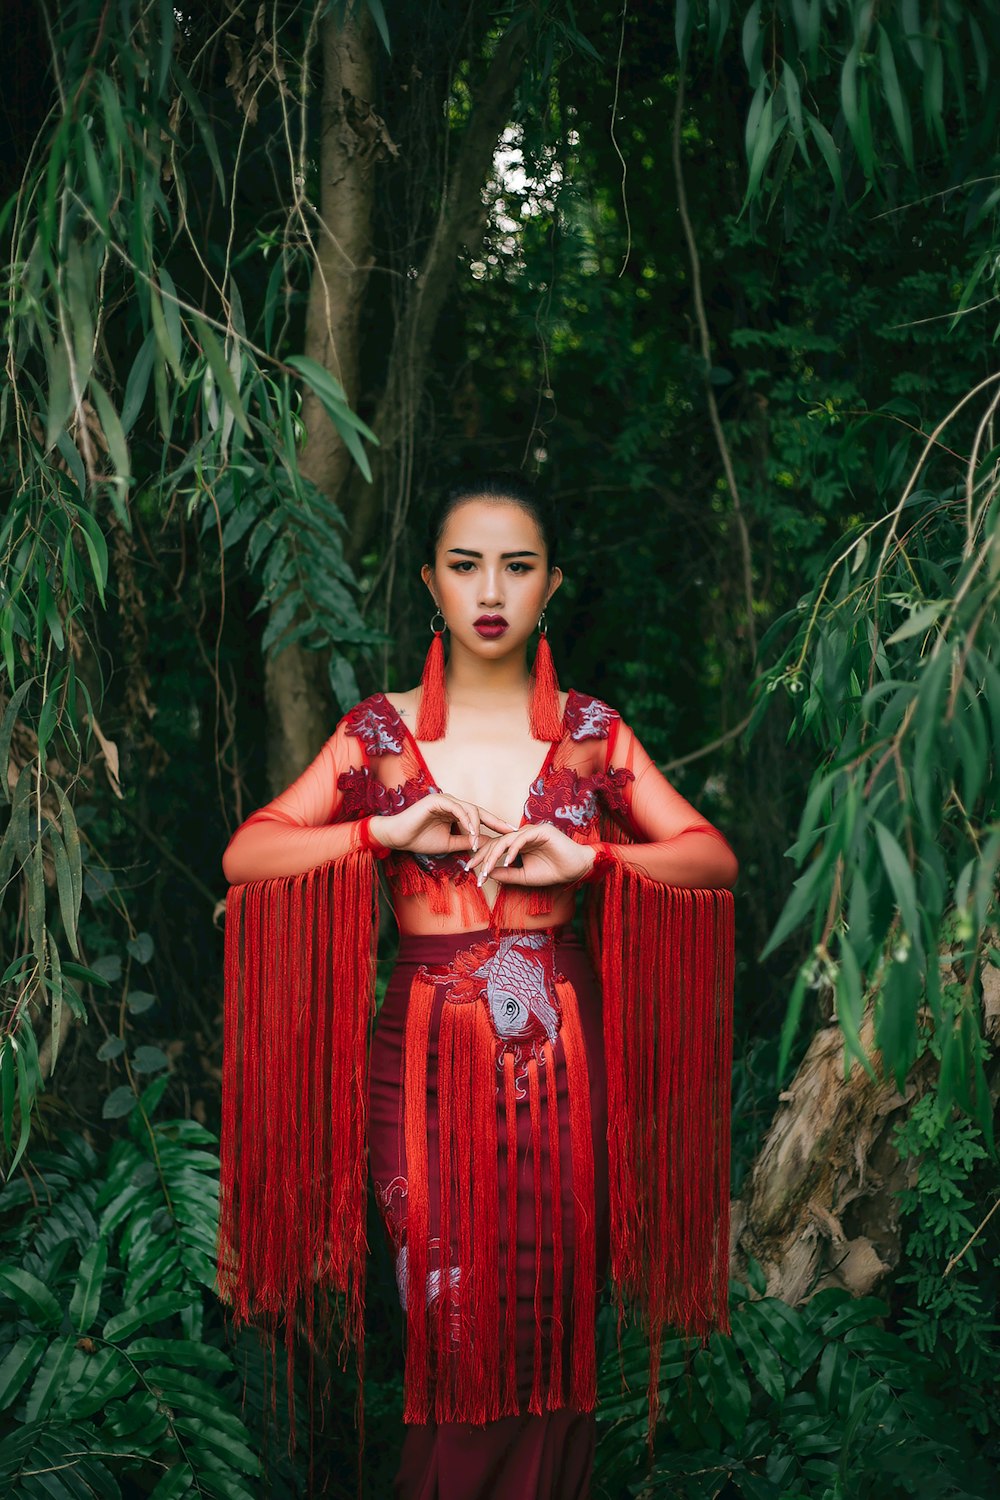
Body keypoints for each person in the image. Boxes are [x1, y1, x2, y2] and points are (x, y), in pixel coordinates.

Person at [217, 472, 738, 1499]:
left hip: (563, 1072)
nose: (489, 589)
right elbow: (250, 853)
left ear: (550, 585)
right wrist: (384, 830)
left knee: (549, 1322)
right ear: (430, 583)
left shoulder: (590, 736)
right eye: (464, 566)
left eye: (515, 566)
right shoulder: (378, 736)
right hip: (418, 1073)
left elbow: (710, 858)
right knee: (452, 1319)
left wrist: (592, 862)